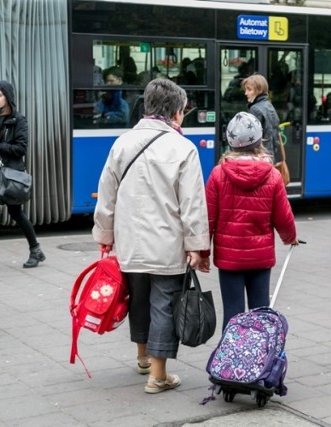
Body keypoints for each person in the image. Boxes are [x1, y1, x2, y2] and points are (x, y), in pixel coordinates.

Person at [93, 78, 209, 394]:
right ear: (175, 112)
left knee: (139, 299)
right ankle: (158, 376)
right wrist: (197, 245)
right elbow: (193, 204)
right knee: (164, 303)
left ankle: (143, 357)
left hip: (130, 240)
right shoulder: (183, 148)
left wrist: (104, 232)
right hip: (167, 243)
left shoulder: (122, 143)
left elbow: (107, 193)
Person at [199, 112, 298, 329]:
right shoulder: (272, 175)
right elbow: (284, 216)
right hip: (260, 258)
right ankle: (258, 360)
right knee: (260, 312)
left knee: (232, 312)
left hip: (229, 259)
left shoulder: (218, 174)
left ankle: (231, 360)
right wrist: (290, 238)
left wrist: (203, 253)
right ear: (258, 140)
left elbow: (208, 219)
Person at [0, 81, 46, 274]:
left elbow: (21, 149)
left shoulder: (18, 120)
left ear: (8, 97)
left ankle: (35, 250)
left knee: (16, 214)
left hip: (9, 175)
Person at [242, 74, 281, 160]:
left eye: (249, 90)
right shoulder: (269, 106)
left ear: (259, 90)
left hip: (259, 158)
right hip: (269, 157)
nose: (246, 93)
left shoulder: (255, 109)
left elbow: (251, 139)